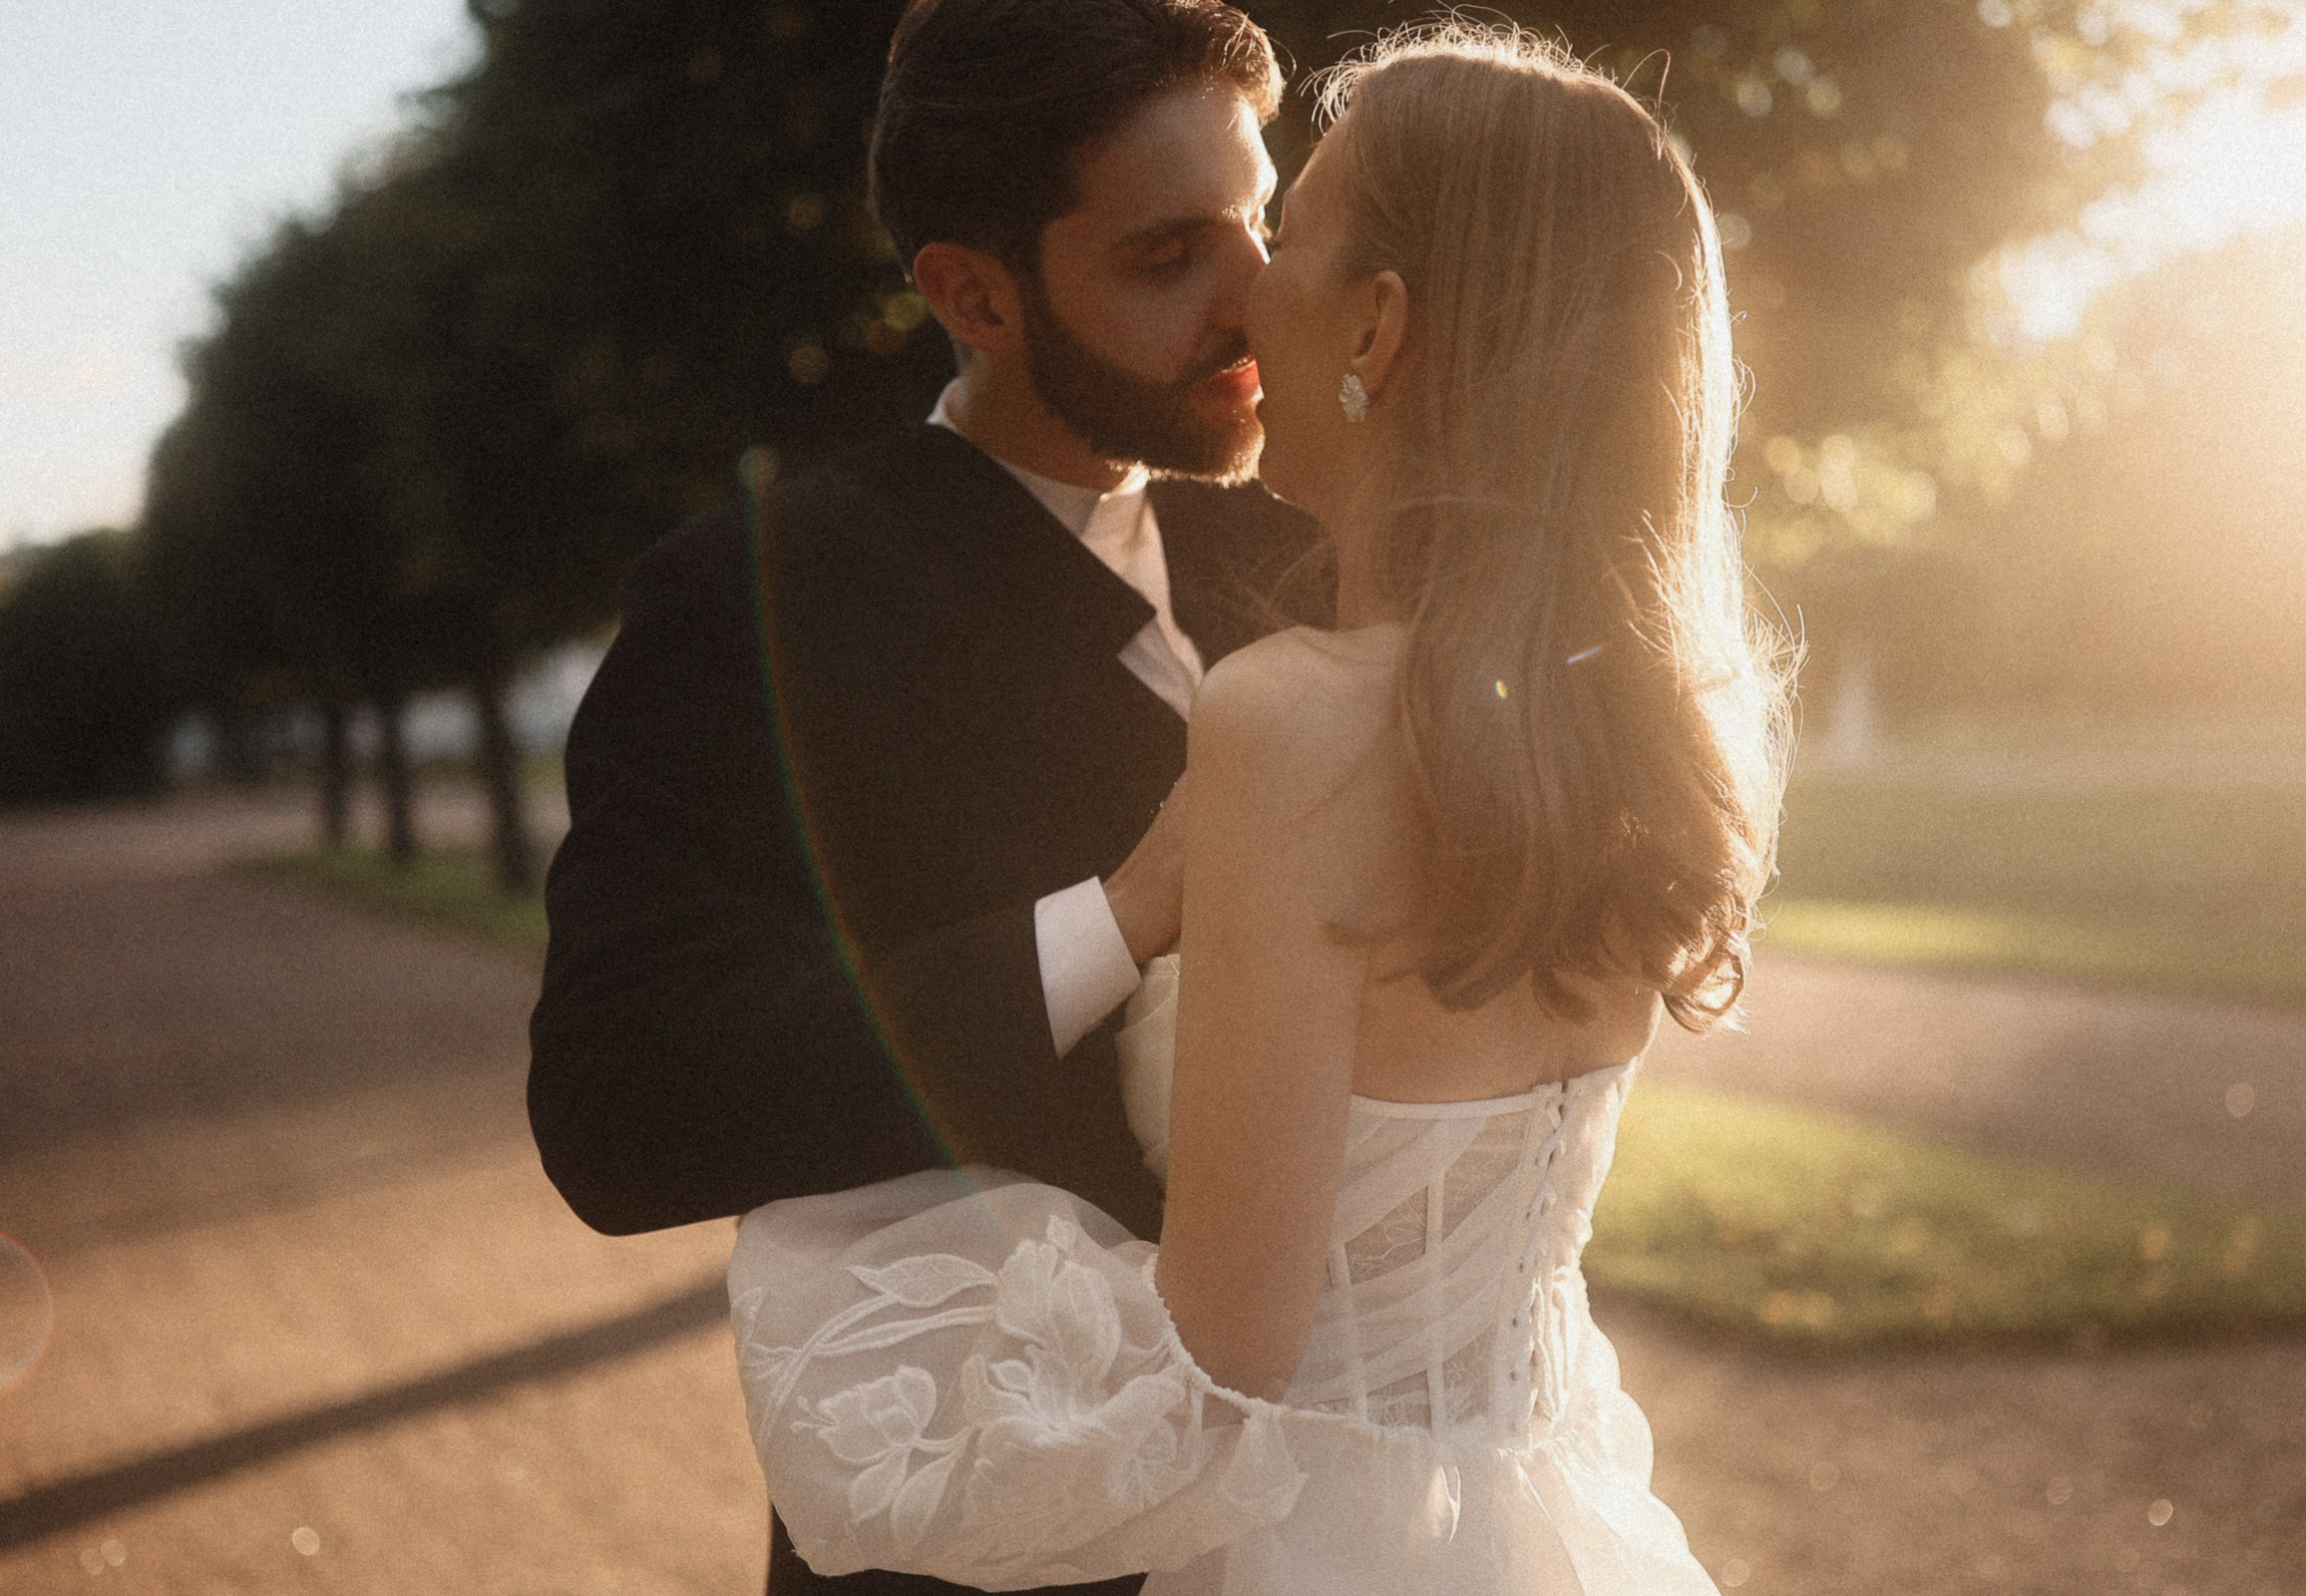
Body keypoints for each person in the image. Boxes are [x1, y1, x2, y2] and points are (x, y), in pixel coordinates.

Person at [727, 23, 1796, 1596]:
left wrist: (855, 1327)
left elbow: (1220, 1368)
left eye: (1286, 231)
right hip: (1535, 1513)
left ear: (1376, 327)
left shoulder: (1298, 721)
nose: (1245, 291)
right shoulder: (1655, 714)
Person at [526, 0, 1321, 1591]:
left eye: (1263, 224)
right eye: (1169, 258)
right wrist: (1117, 919)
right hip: (996, 1549)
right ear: (972, 293)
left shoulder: (1314, 541)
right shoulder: (753, 600)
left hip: (1345, 1504)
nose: (1257, 299)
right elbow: (616, 1114)